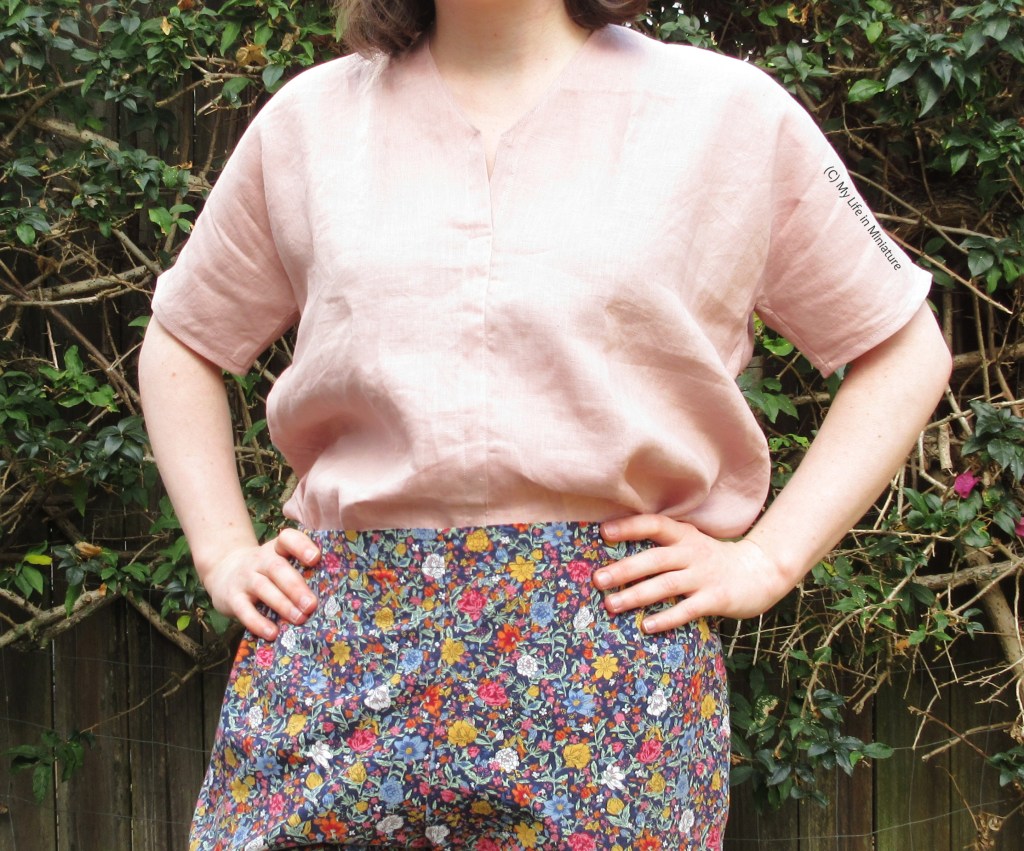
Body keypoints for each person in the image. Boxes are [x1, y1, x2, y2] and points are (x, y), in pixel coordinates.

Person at [138, 0, 952, 848]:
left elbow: (902, 347)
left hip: (610, 675)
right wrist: (223, 550)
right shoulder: (311, 124)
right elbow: (183, 340)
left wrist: (768, 558)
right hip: (337, 656)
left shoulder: (727, 115)